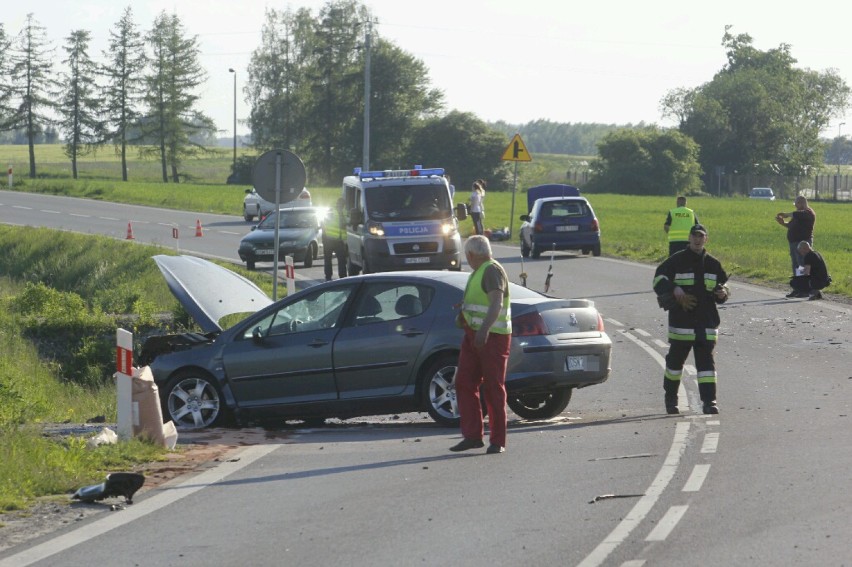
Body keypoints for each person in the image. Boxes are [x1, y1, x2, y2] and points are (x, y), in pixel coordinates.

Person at [653, 224, 730, 415]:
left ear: (706, 239)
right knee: (674, 365)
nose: (697, 239)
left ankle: (709, 402)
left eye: (701, 236)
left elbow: (724, 287)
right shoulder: (676, 261)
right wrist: (673, 289)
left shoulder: (713, 264)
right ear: (689, 238)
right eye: (694, 236)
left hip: (706, 325)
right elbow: (658, 280)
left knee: (706, 368)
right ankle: (671, 400)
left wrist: (723, 293)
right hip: (682, 324)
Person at [450, 235, 511, 454]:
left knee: (494, 387)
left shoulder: (491, 270)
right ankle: (473, 436)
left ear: (471, 255)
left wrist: (484, 330)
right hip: (473, 335)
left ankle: (498, 441)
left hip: (492, 336)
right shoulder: (479, 271)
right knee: (464, 381)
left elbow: (496, 302)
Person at [775, 195, 815, 276]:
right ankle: (798, 283)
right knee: (796, 264)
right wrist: (782, 223)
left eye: (796, 204)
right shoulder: (797, 214)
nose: (795, 206)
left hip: (802, 243)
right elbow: (791, 225)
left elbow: (799, 214)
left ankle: (804, 283)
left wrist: (787, 214)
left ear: (802, 203)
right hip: (794, 243)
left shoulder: (808, 213)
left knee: (802, 263)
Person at [322, 198, 348, 281]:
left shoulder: (344, 213)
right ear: (337, 204)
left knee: (341, 260)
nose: (340, 206)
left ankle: (342, 277)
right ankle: (328, 277)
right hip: (329, 239)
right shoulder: (331, 211)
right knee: (328, 259)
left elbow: (347, 222)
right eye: (340, 204)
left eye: (342, 205)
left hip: (339, 241)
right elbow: (323, 222)